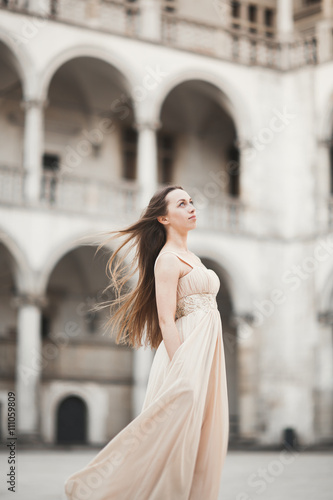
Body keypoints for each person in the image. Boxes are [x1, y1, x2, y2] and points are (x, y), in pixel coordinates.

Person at [64, 184, 229, 500]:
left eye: (192, 201)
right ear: (164, 218)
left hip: (209, 353)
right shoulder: (167, 260)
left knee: (204, 436)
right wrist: (183, 368)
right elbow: (166, 319)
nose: (191, 207)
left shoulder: (191, 255)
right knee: (174, 436)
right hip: (188, 354)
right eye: (182, 204)